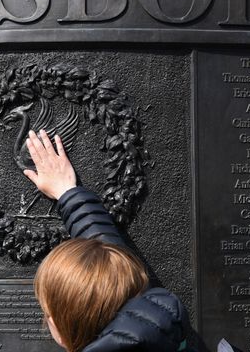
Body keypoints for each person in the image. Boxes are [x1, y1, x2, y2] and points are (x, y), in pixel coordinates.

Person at [23, 129, 190, 352]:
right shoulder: (162, 335)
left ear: (61, 329)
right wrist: (68, 193)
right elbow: (112, 276)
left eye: (48, 310)